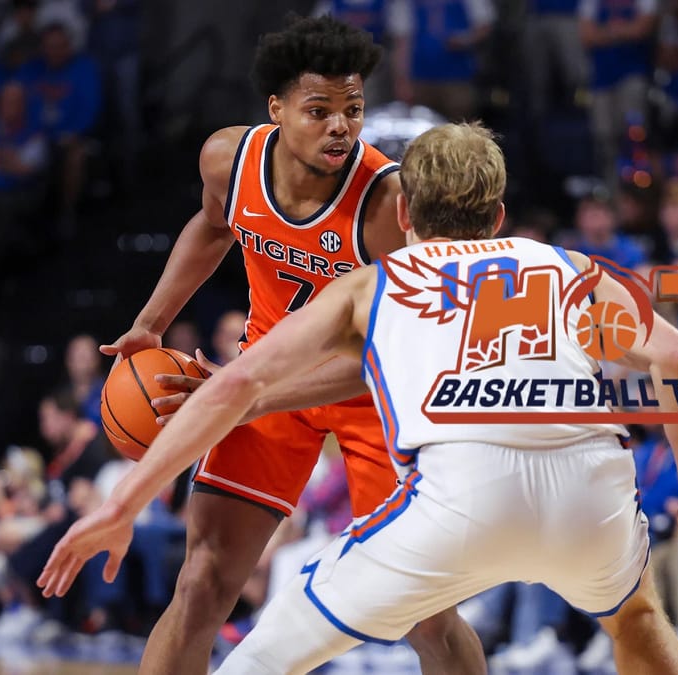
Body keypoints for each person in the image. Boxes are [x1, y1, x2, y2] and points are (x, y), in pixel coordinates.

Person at [38, 122, 678, 674]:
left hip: (460, 499)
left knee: (263, 654)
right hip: (590, 491)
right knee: (637, 619)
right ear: (497, 214)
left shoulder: (376, 284)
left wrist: (120, 503)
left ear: (403, 212)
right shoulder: (568, 266)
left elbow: (241, 382)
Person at [60, 16, 484, 674]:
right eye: (320, 110)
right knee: (201, 582)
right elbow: (211, 227)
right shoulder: (228, 161)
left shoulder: (387, 207)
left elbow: (390, 358)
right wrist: (152, 320)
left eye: (353, 108)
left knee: (425, 611)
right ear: (277, 109)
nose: (341, 125)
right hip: (266, 380)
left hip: (371, 394)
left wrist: (247, 395)